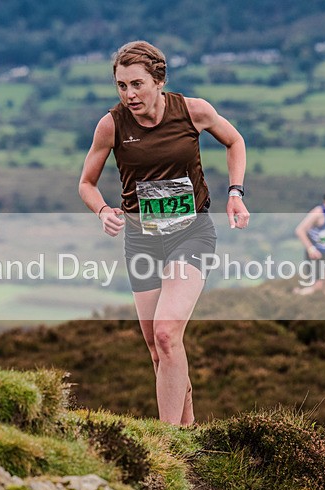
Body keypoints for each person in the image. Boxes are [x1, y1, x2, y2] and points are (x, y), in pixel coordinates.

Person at [78, 40, 249, 426]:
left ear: (158, 79)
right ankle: (189, 435)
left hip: (191, 233)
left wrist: (235, 193)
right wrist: (103, 210)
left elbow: (235, 140)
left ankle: (168, 442)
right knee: (158, 350)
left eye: (136, 84)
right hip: (141, 239)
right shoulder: (111, 124)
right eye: (121, 85)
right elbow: (86, 183)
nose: (129, 94)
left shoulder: (194, 110)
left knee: (168, 333)